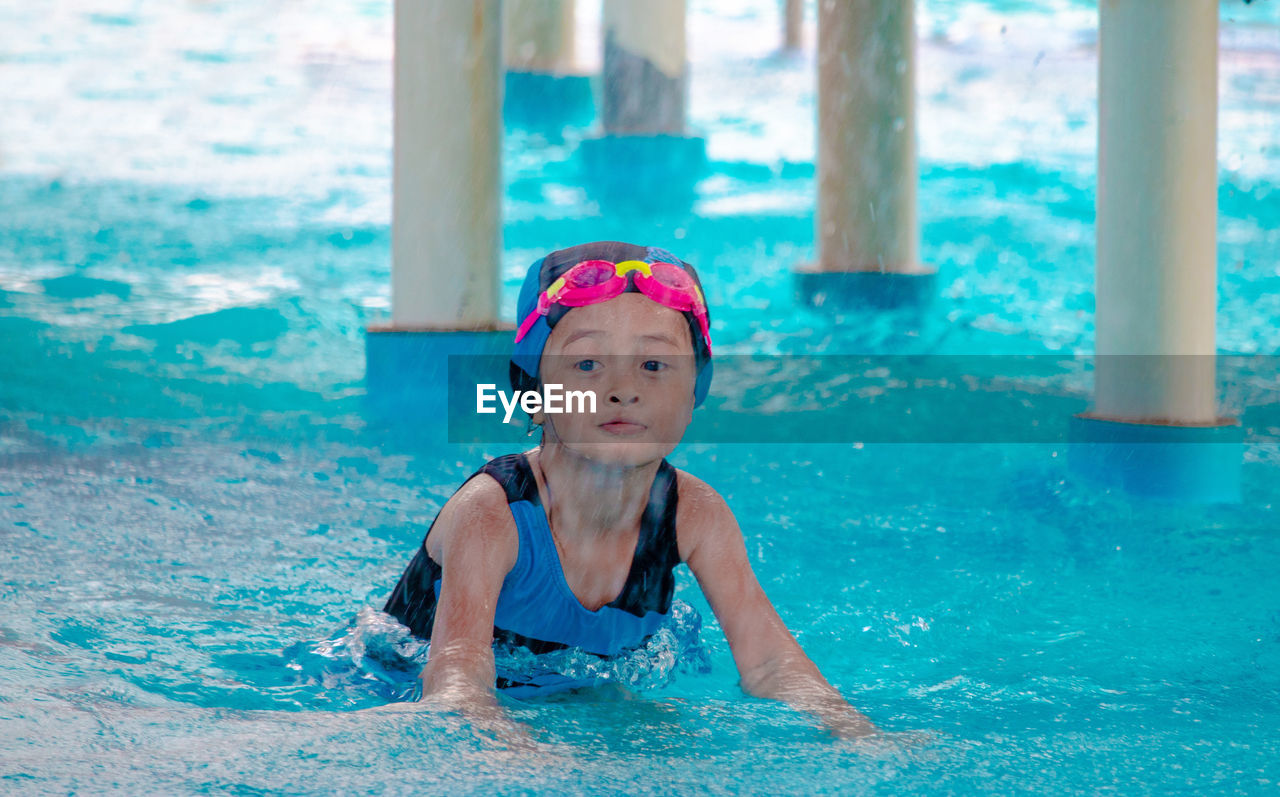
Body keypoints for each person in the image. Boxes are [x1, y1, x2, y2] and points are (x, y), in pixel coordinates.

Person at [381, 240, 877, 740]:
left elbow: (770, 662)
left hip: (577, 700)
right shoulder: (492, 514)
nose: (622, 388)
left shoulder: (695, 514)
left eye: (654, 366)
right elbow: (455, 679)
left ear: (693, 394)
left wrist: (855, 732)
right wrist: (515, 753)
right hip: (389, 689)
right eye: (588, 365)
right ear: (533, 395)